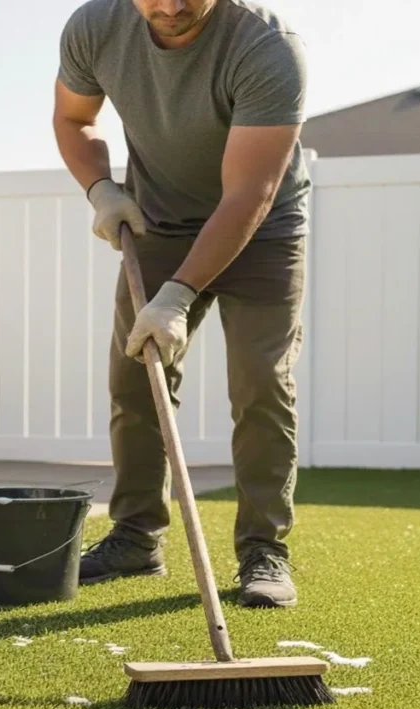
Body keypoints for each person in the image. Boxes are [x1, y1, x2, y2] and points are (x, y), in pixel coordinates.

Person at [53, 0, 310, 607]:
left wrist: (179, 293)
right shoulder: (95, 27)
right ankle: (136, 538)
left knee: (260, 386)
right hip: (159, 223)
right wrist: (101, 188)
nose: (168, 7)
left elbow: (251, 190)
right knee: (136, 379)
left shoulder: (266, 46)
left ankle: (262, 551)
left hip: (263, 229)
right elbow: (73, 119)